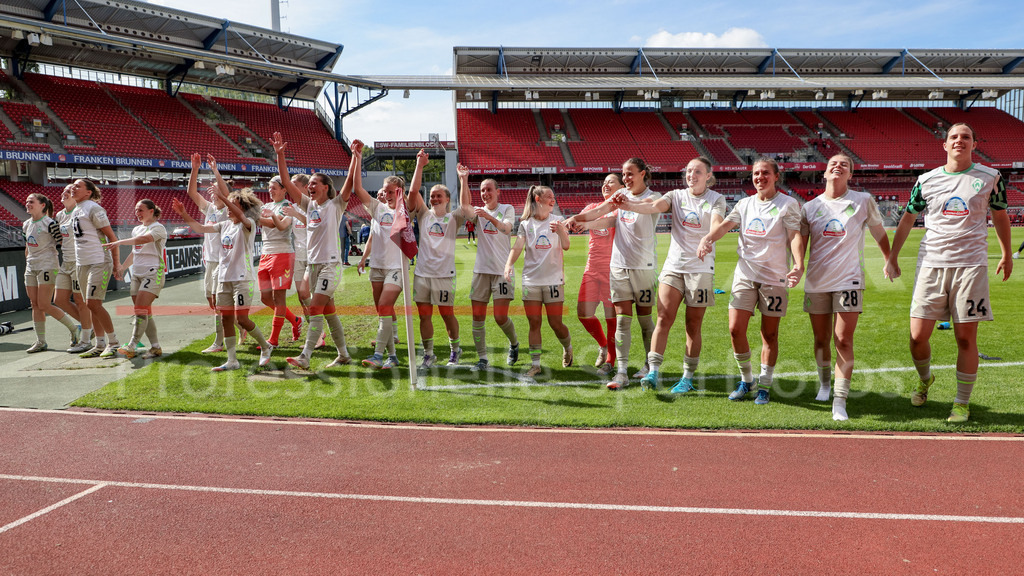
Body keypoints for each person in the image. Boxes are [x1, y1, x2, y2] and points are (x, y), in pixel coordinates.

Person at [884, 123, 1013, 423]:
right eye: (953, 137)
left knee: (965, 339)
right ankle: (925, 378)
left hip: (971, 265)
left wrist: (1007, 253)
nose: (959, 140)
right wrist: (892, 256)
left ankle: (961, 403)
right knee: (917, 337)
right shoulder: (926, 180)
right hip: (931, 264)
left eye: (965, 137)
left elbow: (1000, 214)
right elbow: (907, 219)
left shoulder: (990, 177)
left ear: (974, 144)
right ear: (944, 145)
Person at [697, 158, 804, 405]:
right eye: (756, 173)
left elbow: (794, 234)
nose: (760, 177)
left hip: (774, 278)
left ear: (776, 176)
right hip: (745, 275)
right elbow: (725, 225)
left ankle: (764, 386)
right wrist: (707, 239)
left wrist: (798, 264)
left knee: (769, 334)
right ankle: (747, 380)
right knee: (735, 329)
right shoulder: (744, 204)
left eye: (765, 173)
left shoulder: (788, 204)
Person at [617, 157, 727, 393]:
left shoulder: (716, 199)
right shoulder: (676, 195)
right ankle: (654, 372)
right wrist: (629, 205)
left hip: (700, 268)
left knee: (692, 325)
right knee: (663, 318)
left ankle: (687, 378)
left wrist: (708, 239)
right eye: (689, 171)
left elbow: (717, 223)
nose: (692, 175)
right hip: (673, 267)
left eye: (697, 171)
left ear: (708, 175)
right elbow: (654, 206)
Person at [797, 155, 891, 420]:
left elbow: (878, 232)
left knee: (843, 339)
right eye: (832, 165)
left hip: (849, 280)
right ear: (824, 174)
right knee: (820, 339)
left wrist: (889, 259)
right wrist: (796, 267)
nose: (838, 167)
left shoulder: (862, 200)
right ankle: (825, 384)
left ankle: (840, 400)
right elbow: (801, 246)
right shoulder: (810, 207)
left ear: (850, 174)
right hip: (817, 282)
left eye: (844, 165)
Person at [566, 157, 661, 391]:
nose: (627, 178)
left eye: (630, 174)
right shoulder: (620, 198)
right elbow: (604, 214)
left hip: (644, 268)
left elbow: (646, 207)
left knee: (645, 320)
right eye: (624, 174)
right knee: (622, 321)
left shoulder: (655, 197)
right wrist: (576, 219)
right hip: (618, 268)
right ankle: (621, 372)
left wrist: (622, 203)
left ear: (643, 174)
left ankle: (650, 367)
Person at [172, 159, 273, 371]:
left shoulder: (249, 225)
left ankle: (265, 346)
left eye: (232, 205)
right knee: (226, 318)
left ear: (241, 208)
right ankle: (232, 360)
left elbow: (239, 215)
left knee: (242, 319)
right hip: (224, 277)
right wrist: (183, 214)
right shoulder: (224, 224)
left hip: (242, 278)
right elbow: (200, 228)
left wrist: (224, 199)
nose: (228, 210)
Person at [271, 132, 352, 369]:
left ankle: (305, 356)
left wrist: (355, 157)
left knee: (315, 308)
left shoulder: (335, 205)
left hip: (330, 265)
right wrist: (280, 155)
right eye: (310, 184)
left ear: (326, 187)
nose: (310, 186)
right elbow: (287, 183)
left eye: (315, 183)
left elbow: (348, 186)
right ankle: (344, 354)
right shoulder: (309, 206)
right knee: (329, 313)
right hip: (313, 266)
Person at [348, 139, 421, 369]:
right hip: (377, 265)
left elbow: (415, 190)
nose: (387, 194)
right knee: (383, 311)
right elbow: (357, 189)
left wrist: (419, 164)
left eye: (391, 191)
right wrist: (357, 158)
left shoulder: (405, 210)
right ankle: (392, 356)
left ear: (398, 191)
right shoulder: (377, 209)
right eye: (385, 190)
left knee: (386, 305)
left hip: (397, 267)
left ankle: (378, 355)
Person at [503, 185, 572, 378]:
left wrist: (560, 231)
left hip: (553, 281)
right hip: (530, 281)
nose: (553, 199)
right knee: (534, 323)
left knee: (556, 323)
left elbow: (566, 246)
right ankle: (535, 364)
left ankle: (567, 347)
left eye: (553, 196)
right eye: (549, 196)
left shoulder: (558, 221)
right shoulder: (526, 224)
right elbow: (517, 247)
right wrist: (508, 265)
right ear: (537, 198)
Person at [406, 149, 466, 368]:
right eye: (432, 195)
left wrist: (463, 180)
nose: (434, 198)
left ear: (447, 199)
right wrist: (419, 166)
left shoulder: (453, 217)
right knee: (424, 316)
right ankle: (429, 354)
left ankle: (455, 350)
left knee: (446, 314)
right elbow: (413, 193)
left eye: (439, 195)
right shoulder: (423, 214)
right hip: (422, 273)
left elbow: (466, 207)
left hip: (443, 275)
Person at [459, 168, 521, 369]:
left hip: (502, 272)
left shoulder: (507, 209)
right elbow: (464, 206)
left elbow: (506, 229)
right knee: (477, 317)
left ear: (497, 191)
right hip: (481, 271)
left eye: (489, 190)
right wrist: (464, 179)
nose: (485, 194)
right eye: (482, 191)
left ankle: (514, 343)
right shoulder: (478, 212)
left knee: (500, 316)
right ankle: (483, 359)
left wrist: (489, 216)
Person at [104, 199, 168, 359]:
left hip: (153, 272)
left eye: (141, 210)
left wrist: (119, 242)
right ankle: (155, 347)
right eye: (136, 210)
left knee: (140, 309)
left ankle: (132, 345)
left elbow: (144, 240)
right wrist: (123, 267)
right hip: (136, 274)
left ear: (151, 211)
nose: (137, 213)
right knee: (145, 312)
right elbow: (135, 252)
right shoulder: (137, 229)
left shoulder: (158, 228)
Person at [575, 174, 624, 375]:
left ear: (621, 187)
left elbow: (611, 221)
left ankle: (610, 361)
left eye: (610, 181)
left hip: (613, 271)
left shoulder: (624, 209)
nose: (605, 184)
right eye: (603, 182)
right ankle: (603, 345)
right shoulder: (591, 208)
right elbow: (579, 220)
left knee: (612, 319)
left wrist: (587, 224)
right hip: (592, 269)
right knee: (583, 313)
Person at [69, 179, 121, 358]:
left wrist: (116, 263)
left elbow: (112, 238)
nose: (73, 188)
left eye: (78, 186)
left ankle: (113, 342)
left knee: (94, 303)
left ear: (88, 192)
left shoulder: (93, 208)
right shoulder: (76, 210)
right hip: (82, 263)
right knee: (90, 305)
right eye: (73, 186)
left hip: (99, 260)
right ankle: (100, 344)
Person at [22, 193, 80, 353]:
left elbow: (64, 242)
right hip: (31, 267)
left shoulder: (50, 223)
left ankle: (74, 328)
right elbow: (27, 246)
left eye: (31, 201)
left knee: (44, 304)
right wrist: (28, 262)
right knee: (35, 304)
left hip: (47, 265)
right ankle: (41, 341)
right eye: (27, 201)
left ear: (42, 205)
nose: (28, 204)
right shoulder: (26, 224)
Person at [185, 153, 230, 354]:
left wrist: (215, 171)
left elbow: (227, 195)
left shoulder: (228, 210)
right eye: (211, 190)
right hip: (210, 262)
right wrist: (195, 169)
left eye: (216, 190)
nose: (212, 193)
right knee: (212, 301)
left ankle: (219, 342)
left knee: (219, 303)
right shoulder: (210, 209)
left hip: (223, 262)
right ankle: (238, 326)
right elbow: (191, 192)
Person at [257, 176, 302, 347]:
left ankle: (273, 340)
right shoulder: (266, 206)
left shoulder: (286, 206)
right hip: (265, 254)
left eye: (274, 187)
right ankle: (295, 320)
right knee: (265, 298)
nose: (271, 190)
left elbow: (279, 226)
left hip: (282, 253)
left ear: (284, 190)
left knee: (279, 298)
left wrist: (256, 218)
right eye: (269, 187)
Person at [53, 185, 87, 351]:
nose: (64, 193)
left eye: (68, 192)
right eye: (64, 191)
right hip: (65, 261)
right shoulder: (59, 215)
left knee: (80, 301)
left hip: (78, 262)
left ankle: (88, 335)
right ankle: (88, 326)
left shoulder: (80, 212)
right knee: (59, 299)